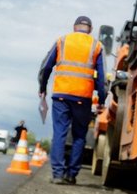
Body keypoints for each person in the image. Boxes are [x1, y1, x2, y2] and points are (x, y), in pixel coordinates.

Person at [38, 15, 106, 185]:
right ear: (89, 29)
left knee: (60, 134)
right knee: (79, 135)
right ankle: (71, 175)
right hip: (83, 98)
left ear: (74, 27)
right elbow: (102, 78)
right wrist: (102, 99)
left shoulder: (62, 41)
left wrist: (42, 88)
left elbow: (46, 66)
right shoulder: (96, 45)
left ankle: (58, 174)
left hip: (61, 95)